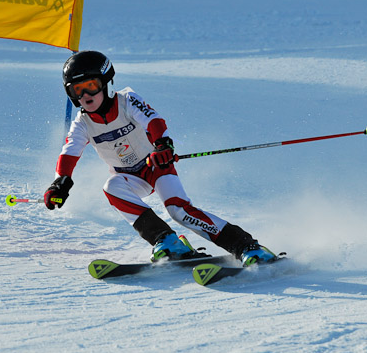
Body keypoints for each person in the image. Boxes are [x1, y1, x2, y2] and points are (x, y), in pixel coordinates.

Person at [44, 50, 276, 266]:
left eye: (91, 86)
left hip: (156, 166)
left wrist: (162, 145)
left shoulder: (126, 100)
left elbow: (154, 121)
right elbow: (69, 152)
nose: (85, 95)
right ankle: (167, 241)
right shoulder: (82, 124)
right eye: (77, 90)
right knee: (112, 187)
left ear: (106, 83)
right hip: (129, 176)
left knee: (179, 211)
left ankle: (248, 247)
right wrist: (60, 182)